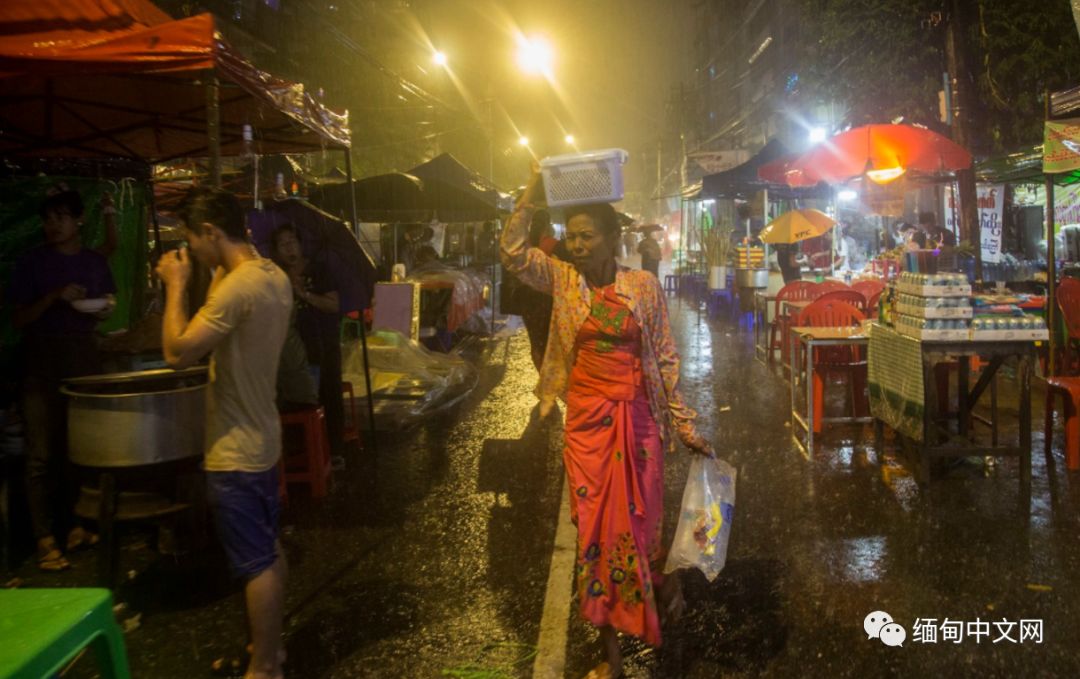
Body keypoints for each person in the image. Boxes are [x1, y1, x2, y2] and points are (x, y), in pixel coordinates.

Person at [501, 165, 714, 679]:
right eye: (571, 236)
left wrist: (684, 423)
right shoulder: (562, 279)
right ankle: (612, 659)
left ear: (612, 239)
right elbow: (512, 253)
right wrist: (531, 193)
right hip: (586, 427)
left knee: (643, 529)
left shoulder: (642, 286)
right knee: (595, 539)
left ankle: (663, 585)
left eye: (586, 236)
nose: (576, 246)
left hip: (638, 424)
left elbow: (664, 358)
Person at [156, 187, 291, 679]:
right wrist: (212, 268)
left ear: (211, 232)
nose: (189, 250)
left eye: (191, 239)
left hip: (235, 449)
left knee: (256, 562)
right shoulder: (270, 275)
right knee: (268, 548)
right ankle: (270, 649)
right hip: (263, 438)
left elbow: (177, 352)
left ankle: (263, 668)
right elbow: (221, 304)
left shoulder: (238, 288)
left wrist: (175, 285)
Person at [11, 185, 116, 571]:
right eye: (48, 219)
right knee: (41, 453)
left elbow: (108, 302)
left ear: (79, 220)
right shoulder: (31, 263)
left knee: (79, 448)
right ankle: (44, 540)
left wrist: (104, 310)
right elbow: (18, 319)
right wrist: (54, 296)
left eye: (61, 217)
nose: (52, 225)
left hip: (83, 358)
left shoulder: (94, 262)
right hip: (41, 362)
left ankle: (76, 526)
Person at [270, 223, 346, 465]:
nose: (289, 248)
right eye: (282, 244)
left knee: (329, 395)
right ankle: (305, 453)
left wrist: (304, 294)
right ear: (276, 251)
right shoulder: (276, 277)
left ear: (301, 244)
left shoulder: (319, 269)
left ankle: (334, 451)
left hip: (323, 344)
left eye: (292, 241)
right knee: (299, 400)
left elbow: (333, 305)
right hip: (293, 351)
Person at [516, 209, 559, 370]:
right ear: (547, 224)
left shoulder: (525, 245)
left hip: (527, 297)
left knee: (534, 339)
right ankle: (547, 373)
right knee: (548, 338)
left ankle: (540, 369)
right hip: (546, 298)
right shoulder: (553, 244)